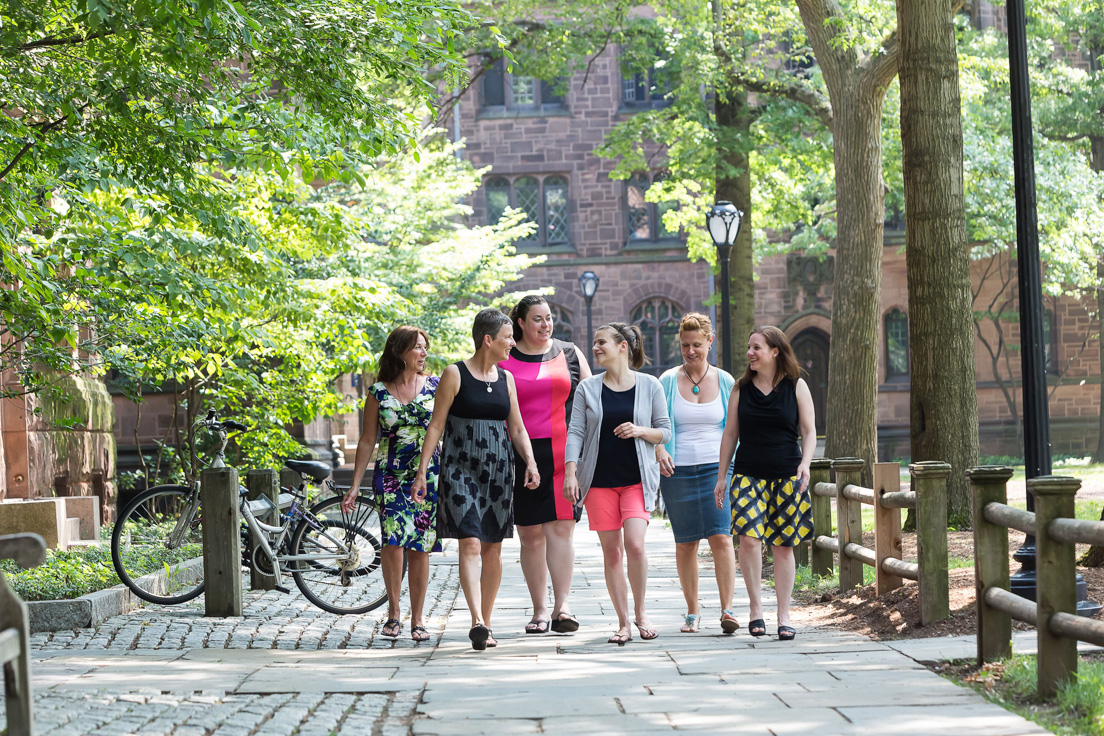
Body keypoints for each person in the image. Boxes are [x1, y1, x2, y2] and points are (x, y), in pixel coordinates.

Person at [413, 308, 540, 651]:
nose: (513, 343)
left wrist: (530, 462)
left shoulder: (506, 379)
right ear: (488, 339)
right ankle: (476, 621)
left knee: (493, 548)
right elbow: (436, 425)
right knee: (470, 542)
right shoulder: (454, 374)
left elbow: (517, 427)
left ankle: (488, 619)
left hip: (498, 471)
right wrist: (423, 470)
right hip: (460, 468)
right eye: (507, 337)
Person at [564, 323, 671, 645]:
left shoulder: (650, 385)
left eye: (601, 343)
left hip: (637, 479)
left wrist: (640, 430)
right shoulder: (587, 388)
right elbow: (576, 432)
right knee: (612, 554)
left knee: (635, 544)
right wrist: (571, 472)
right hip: (599, 482)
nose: (595, 348)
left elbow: (664, 431)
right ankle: (623, 622)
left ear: (622, 346)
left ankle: (641, 613)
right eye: (594, 342)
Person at [714, 326, 816, 642]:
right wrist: (721, 477)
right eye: (749, 347)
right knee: (749, 539)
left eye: (756, 347)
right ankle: (756, 609)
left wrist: (806, 464)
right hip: (748, 474)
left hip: (788, 476)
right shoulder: (739, 389)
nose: (750, 353)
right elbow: (730, 434)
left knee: (783, 546)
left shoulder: (797, 386)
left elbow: (809, 431)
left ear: (775, 351)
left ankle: (784, 615)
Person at [341, 326, 441, 643]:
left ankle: (419, 618)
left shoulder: (437, 386)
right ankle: (394, 613)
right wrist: (356, 485)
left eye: (425, 347)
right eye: (418, 347)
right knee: (393, 543)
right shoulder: (378, 393)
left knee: (420, 547)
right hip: (390, 476)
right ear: (400, 352)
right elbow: (368, 439)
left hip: (427, 476)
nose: (424, 353)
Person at [500, 295, 591, 635]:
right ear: (520, 323)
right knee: (531, 534)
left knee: (562, 529)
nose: (545, 324)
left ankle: (562, 607)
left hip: (564, 453)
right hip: (520, 455)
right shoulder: (505, 359)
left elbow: (590, 400)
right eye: (537, 319)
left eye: (549, 318)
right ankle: (539, 610)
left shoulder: (569, 353)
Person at [656, 313, 739, 635]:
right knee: (686, 542)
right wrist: (659, 450)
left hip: (717, 469)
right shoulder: (666, 381)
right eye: (685, 345)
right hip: (677, 471)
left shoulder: (725, 381)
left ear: (710, 342)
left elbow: (735, 429)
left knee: (721, 536)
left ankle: (727, 609)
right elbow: (657, 425)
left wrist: (733, 467)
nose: (690, 351)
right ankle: (692, 611)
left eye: (697, 345)